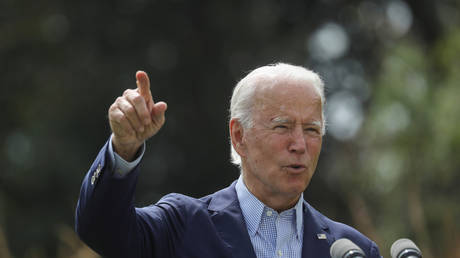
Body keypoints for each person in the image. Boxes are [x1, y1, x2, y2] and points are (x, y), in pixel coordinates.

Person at [75, 63, 382, 258]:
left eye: (312, 129)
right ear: (239, 136)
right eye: (282, 126)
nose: (300, 145)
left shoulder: (351, 250)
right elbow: (102, 230)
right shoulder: (182, 227)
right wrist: (124, 148)